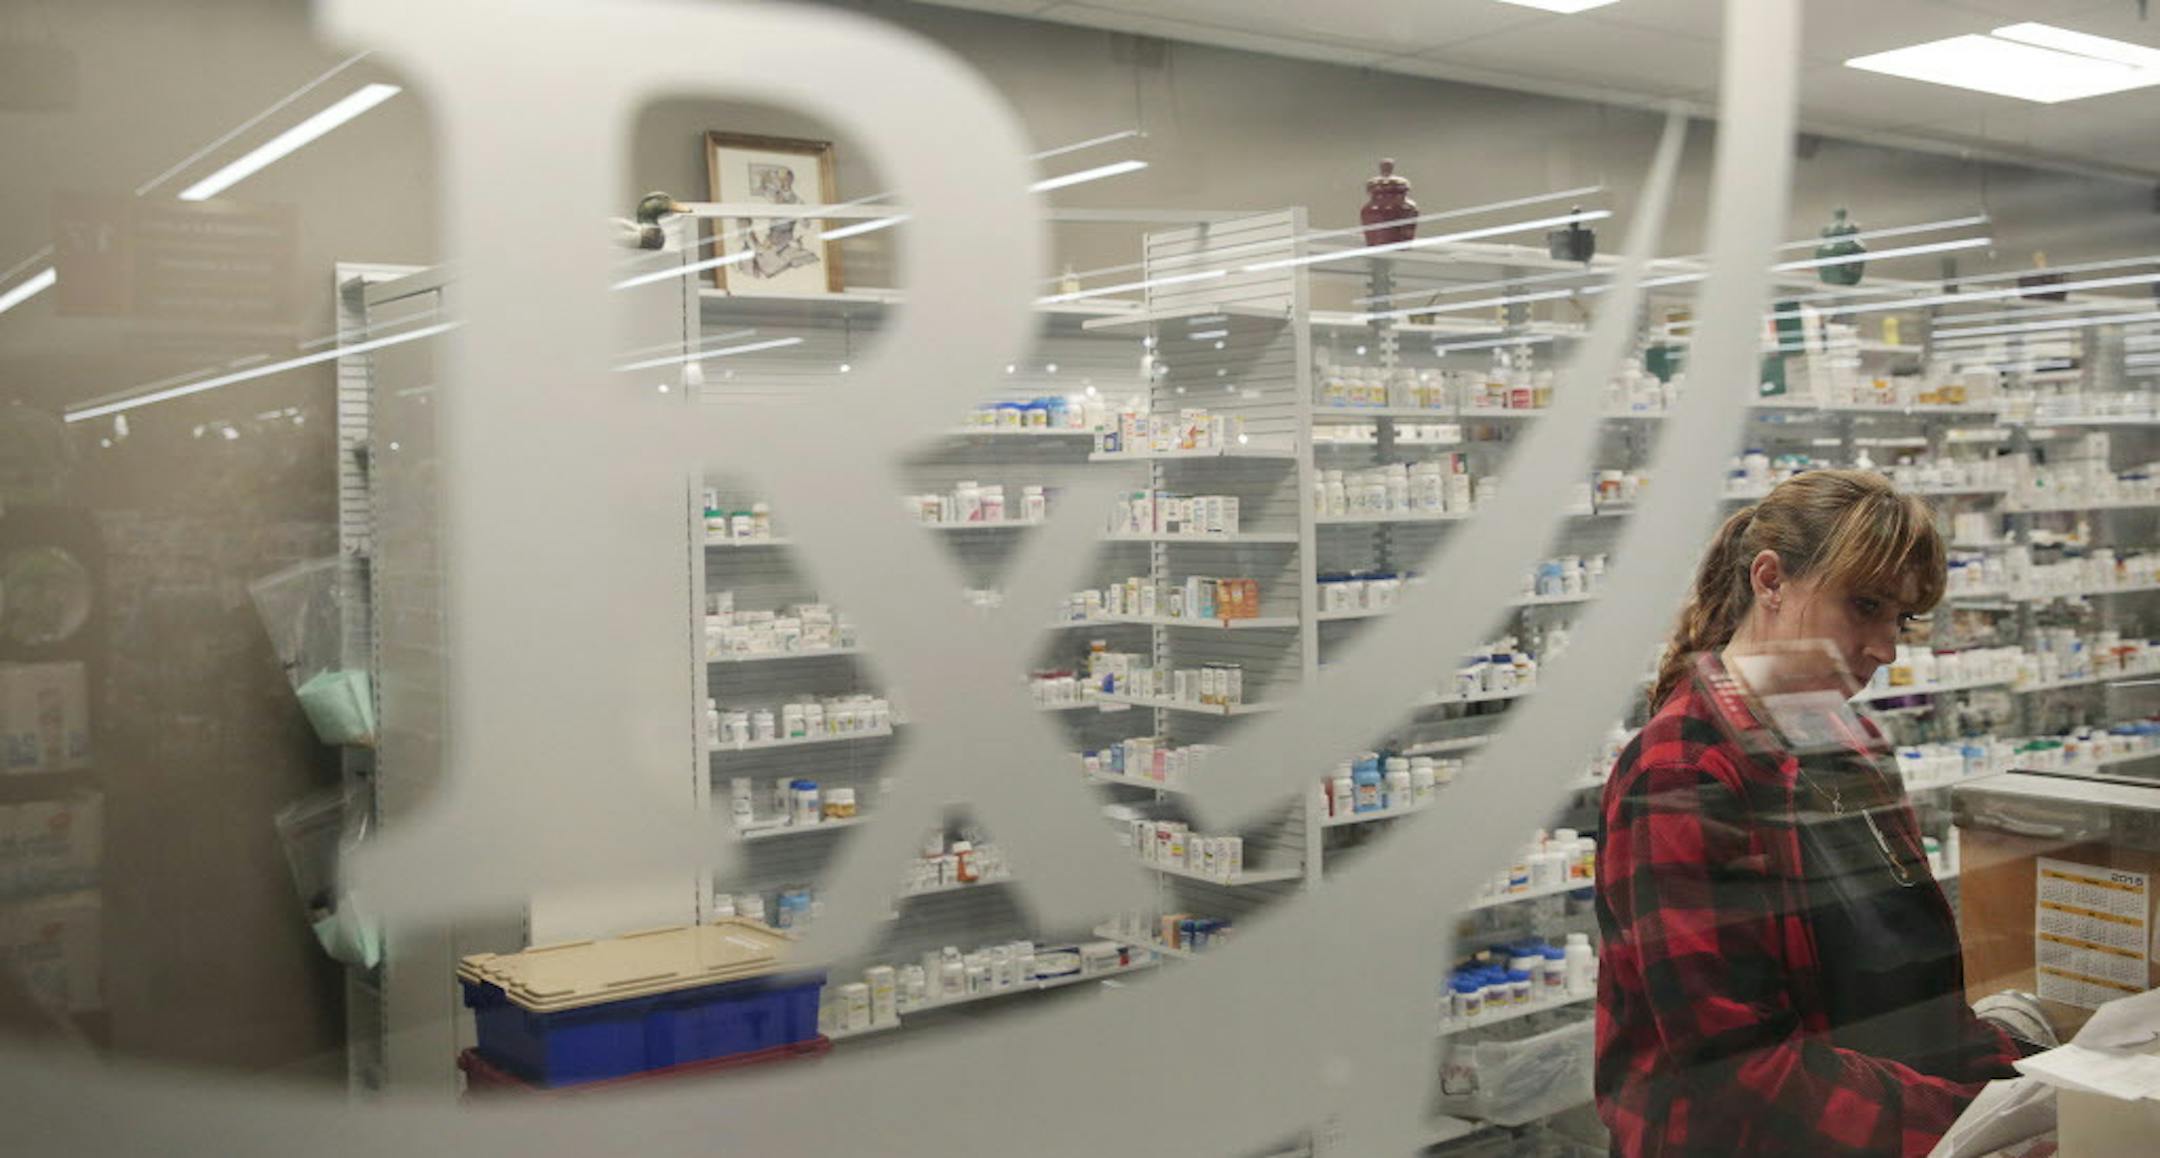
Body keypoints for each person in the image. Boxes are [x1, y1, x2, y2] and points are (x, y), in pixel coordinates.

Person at [1594, 470, 2023, 1157]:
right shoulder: (1681, 768)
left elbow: (1920, 995)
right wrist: (1966, 1121)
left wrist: (2028, 1079)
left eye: (1901, 619)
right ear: (1770, 581)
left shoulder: (1848, 746)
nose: (1885, 648)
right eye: (1864, 606)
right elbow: (1742, 1072)